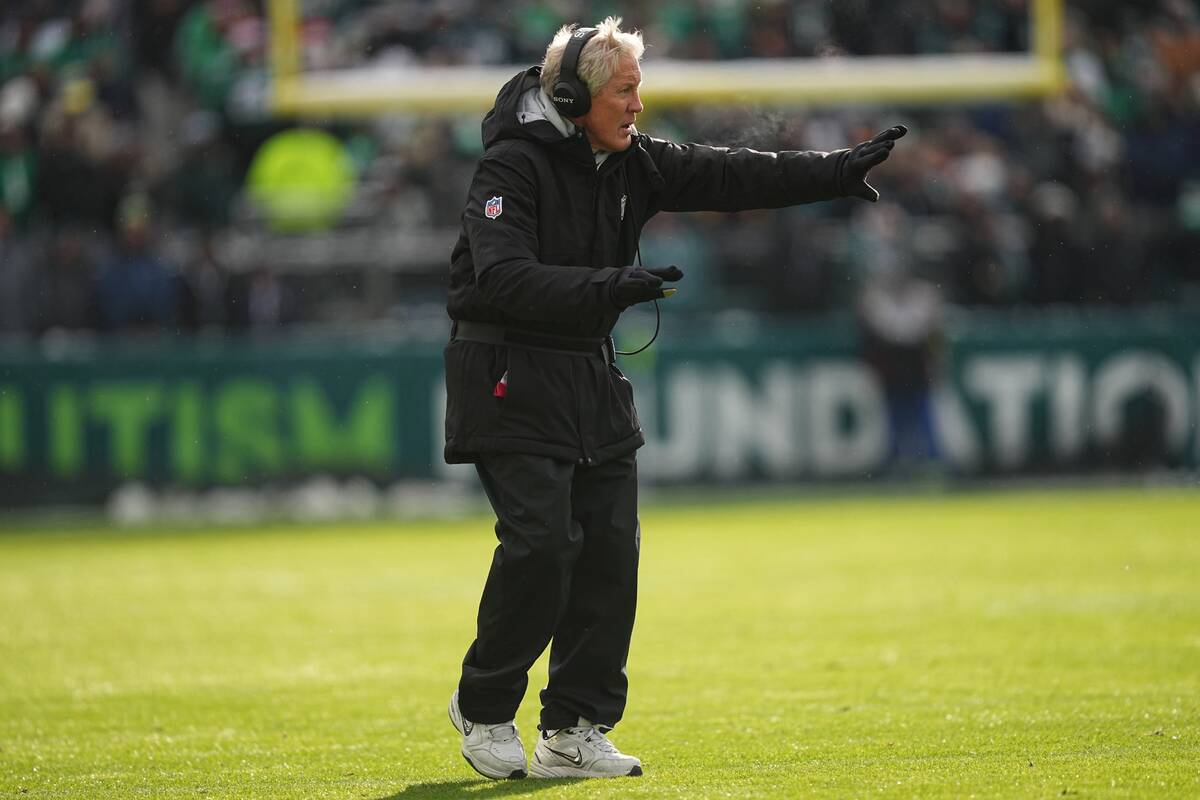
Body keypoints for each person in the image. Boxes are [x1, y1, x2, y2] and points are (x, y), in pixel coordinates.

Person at [444, 16, 906, 780]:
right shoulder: (509, 169)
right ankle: (485, 707)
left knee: (610, 549)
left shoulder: (629, 162)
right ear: (572, 93)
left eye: (638, 89)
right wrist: (613, 284)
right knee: (544, 544)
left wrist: (832, 171)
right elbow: (500, 280)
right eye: (624, 91)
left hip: (587, 373)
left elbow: (730, 173)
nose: (637, 106)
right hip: (508, 375)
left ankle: (573, 728)